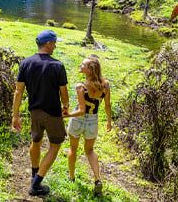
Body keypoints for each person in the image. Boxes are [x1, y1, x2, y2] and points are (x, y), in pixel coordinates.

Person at [11, 29, 69, 196]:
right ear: (48, 44)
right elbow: (63, 92)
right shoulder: (57, 65)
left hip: (34, 111)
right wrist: (65, 105)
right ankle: (36, 184)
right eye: (54, 43)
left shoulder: (26, 63)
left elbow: (18, 92)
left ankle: (34, 174)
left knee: (36, 141)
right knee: (55, 145)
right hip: (52, 113)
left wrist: (15, 115)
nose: (55, 46)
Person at [64, 56, 112, 197]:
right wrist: (109, 121)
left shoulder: (81, 86)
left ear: (89, 70)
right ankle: (97, 179)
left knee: (73, 148)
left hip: (78, 121)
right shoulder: (105, 85)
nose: (80, 65)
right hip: (93, 121)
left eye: (83, 64)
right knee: (90, 151)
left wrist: (64, 116)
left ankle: (71, 177)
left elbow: (81, 110)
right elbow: (107, 106)